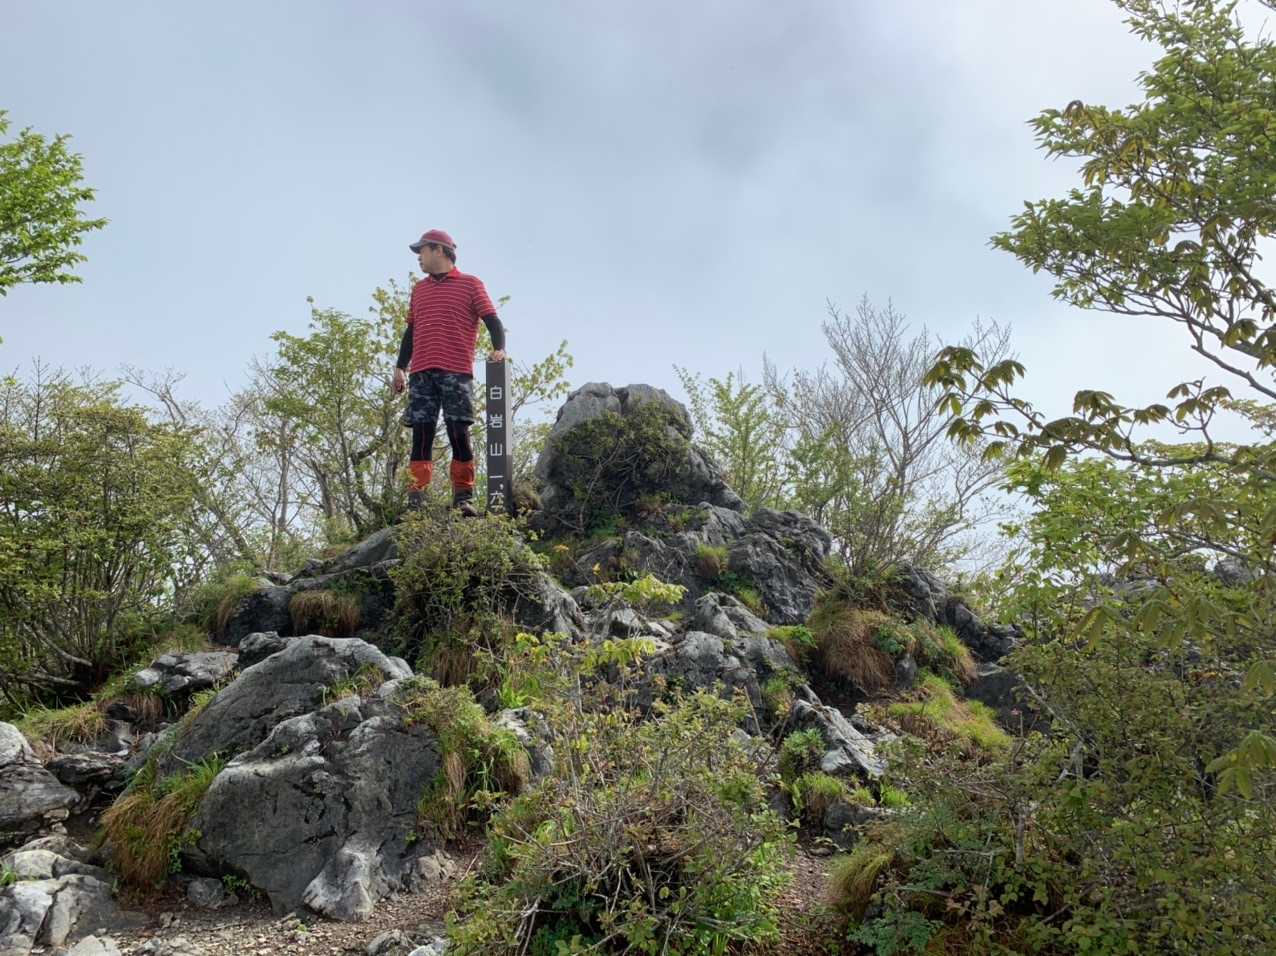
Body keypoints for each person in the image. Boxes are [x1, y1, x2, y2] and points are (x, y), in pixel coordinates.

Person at [392, 228, 505, 516]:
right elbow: (411, 332)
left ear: (439, 250)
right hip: (421, 373)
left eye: (422, 251)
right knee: (421, 435)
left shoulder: (470, 284)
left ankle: (463, 498)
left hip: (456, 371)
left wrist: (499, 349)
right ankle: (416, 503)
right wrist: (400, 367)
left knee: (458, 432)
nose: (419, 257)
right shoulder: (419, 290)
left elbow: (492, 320)